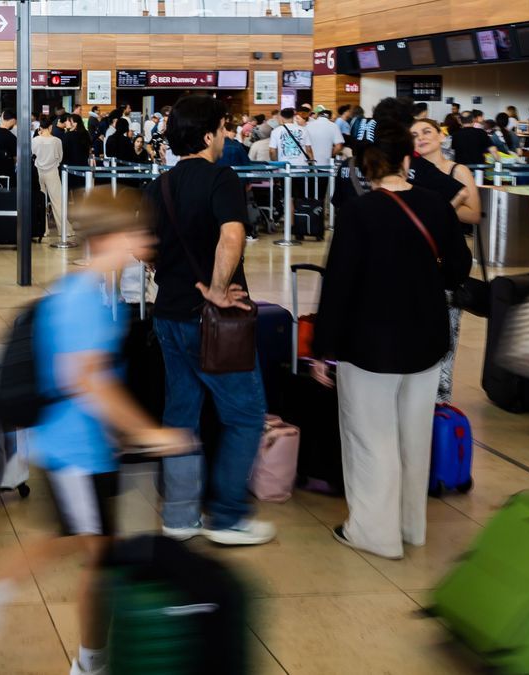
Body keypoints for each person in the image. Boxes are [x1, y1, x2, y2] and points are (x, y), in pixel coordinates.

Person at [0, 191, 193, 675]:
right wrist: (151, 433)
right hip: (75, 453)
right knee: (92, 554)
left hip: (82, 449)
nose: (145, 244)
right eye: (136, 235)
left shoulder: (93, 293)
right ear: (109, 240)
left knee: (79, 546)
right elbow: (89, 382)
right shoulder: (85, 300)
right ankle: (78, 656)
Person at [311, 120, 472, 560]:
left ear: (366, 166)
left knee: (370, 437)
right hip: (426, 340)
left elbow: (339, 284)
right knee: (413, 435)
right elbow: (459, 269)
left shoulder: (359, 213)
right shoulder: (436, 205)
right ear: (408, 158)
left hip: (369, 343)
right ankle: (410, 526)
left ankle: (374, 532)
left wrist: (324, 349)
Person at [147, 94, 275, 546]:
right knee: (244, 413)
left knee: (181, 414)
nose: (225, 137)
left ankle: (180, 516)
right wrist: (218, 291)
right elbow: (233, 234)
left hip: (168, 315)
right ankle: (227, 515)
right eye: (222, 129)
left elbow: (145, 248)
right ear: (207, 135)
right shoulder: (221, 177)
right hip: (213, 322)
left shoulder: (159, 185)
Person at [411, 117, 481, 405]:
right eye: (414, 134)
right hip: (416, 261)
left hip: (447, 261)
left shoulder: (457, 171)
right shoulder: (409, 173)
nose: (421, 137)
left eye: (427, 131)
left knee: (447, 333)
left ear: (440, 136)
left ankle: (440, 401)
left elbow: (474, 214)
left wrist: (440, 209)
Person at [32, 117, 68, 236]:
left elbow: (32, 155)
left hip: (38, 172)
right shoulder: (57, 141)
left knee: (40, 201)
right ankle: (64, 230)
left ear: (40, 128)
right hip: (52, 171)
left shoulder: (35, 140)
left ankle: (43, 230)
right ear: (50, 127)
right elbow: (60, 157)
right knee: (57, 201)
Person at [62, 114, 92, 189]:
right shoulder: (85, 134)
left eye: (68, 121)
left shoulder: (68, 135)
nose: (66, 122)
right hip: (83, 166)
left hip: (70, 167)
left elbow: (64, 152)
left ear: (75, 124)